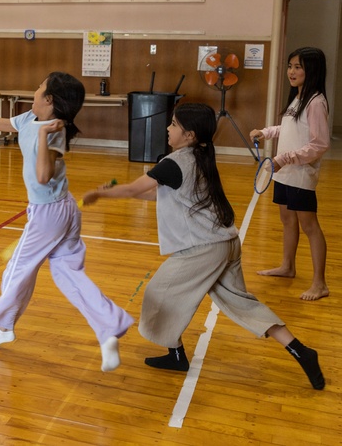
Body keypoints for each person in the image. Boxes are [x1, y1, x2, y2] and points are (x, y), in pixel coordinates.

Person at [81, 103, 325, 389]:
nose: (168, 128)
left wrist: (100, 194)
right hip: (227, 242)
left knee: (158, 294)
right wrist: (119, 193)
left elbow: (136, 187)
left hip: (205, 248)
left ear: (190, 134)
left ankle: (175, 354)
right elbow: (159, 195)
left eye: (173, 124)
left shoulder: (173, 163)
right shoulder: (200, 155)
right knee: (242, 305)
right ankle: (301, 351)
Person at [0, 73, 134, 372]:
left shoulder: (54, 132)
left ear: (49, 99)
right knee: (68, 275)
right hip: (65, 210)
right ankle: (109, 327)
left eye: (39, 87)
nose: (34, 90)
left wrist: (46, 136)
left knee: (16, 271)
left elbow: (43, 176)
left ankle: (4, 326)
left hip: (48, 214)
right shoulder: (27, 119)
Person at [249, 47, 330, 301]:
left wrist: (285, 158)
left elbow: (319, 144)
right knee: (287, 219)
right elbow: (288, 128)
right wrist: (266, 132)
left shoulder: (316, 102)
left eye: (298, 67)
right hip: (284, 173)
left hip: (300, 174)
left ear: (312, 70)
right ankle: (288, 266)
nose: (291, 72)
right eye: (290, 66)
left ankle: (320, 284)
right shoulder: (298, 98)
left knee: (310, 225)